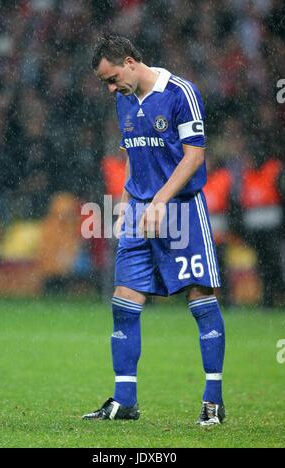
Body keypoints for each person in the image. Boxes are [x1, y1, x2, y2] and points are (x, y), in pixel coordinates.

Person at [82, 34, 225, 426]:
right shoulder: (123, 99)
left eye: (113, 78)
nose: (111, 88)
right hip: (140, 211)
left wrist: (160, 200)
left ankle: (213, 400)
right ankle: (124, 401)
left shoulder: (181, 92)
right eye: (106, 83)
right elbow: (132, 155)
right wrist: (127, 204)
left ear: (130, 61)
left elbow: (194, 156)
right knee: (123, 302)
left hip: (180, 210)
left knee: (200, 299)